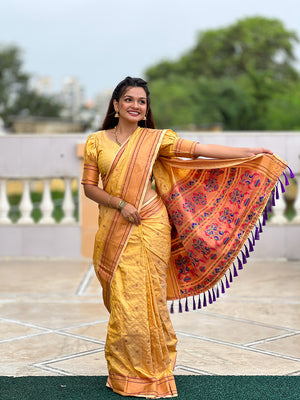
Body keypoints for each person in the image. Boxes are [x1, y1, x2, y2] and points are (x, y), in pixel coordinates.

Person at [81, 76, 288, 398]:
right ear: (116, 105)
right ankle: (123, 373)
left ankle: (155, 372)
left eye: (142, 101)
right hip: (115, 224)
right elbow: (90, 187)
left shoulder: (155, 139)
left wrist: (249, 152)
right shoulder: (97, 142)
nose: (136, 106)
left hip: (151, 224)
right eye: (130, 100)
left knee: (148, 296)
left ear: (146, 108)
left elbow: (199, 150)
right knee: (123, 301)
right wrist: (120, 204)